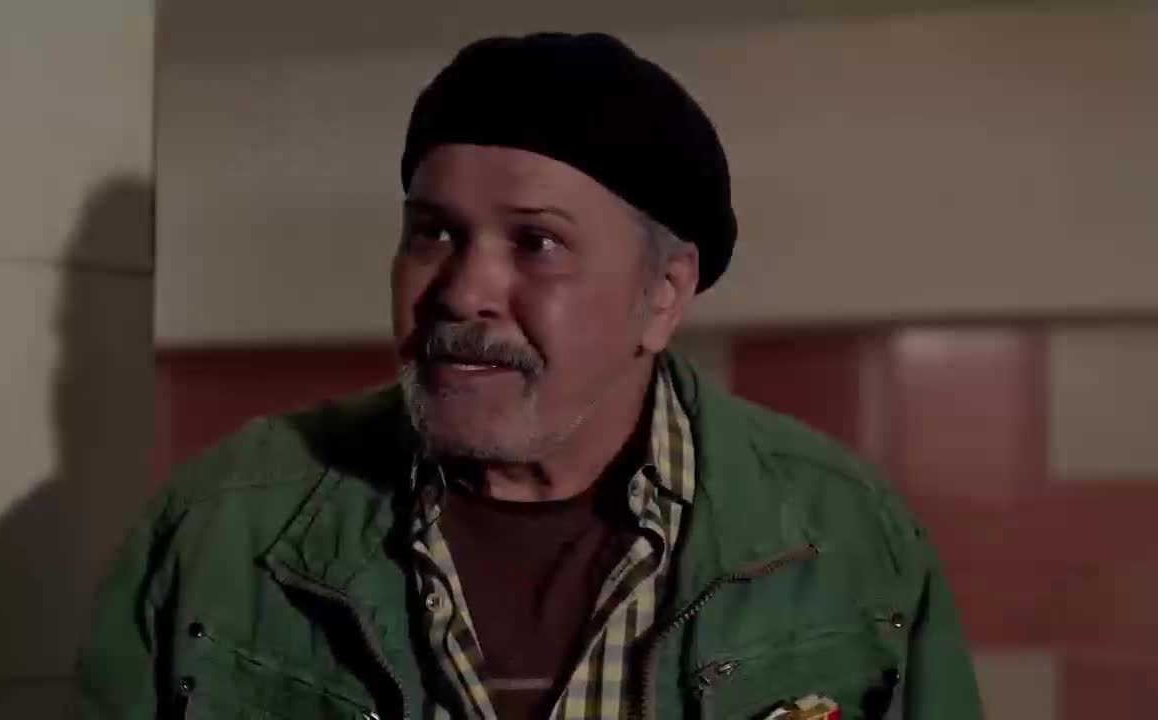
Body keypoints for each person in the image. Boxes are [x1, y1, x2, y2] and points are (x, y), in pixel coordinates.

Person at [70, 32, 982, 720]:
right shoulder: (218, 534)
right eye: (432, 232)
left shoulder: (847, 539)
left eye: (536, 242)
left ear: (663, 295)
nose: (462, 290)